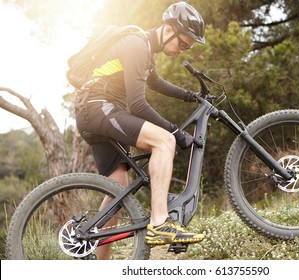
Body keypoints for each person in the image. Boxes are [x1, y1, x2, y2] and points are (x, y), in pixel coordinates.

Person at [75, 2, 206, 259]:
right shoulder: (137, 44)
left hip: (95, 112)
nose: (182, 50)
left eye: (187, 48)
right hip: (99, 107)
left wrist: (191, 96)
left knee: (118, 193)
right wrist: (175, 132)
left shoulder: (146, 50)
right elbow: (137, 104)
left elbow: (155, 82)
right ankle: (159, 223)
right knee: (163, 141)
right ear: (168, 29)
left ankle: (101, 264)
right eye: (182, 44)